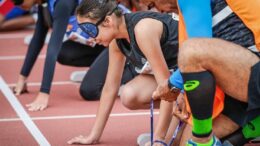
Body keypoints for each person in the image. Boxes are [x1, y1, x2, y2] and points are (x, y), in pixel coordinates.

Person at [67, 0, 180, 144]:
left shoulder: (143, 30)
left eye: (90, 30)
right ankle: (175, 120)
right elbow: (110, 88)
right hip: (174, 78)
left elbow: (166, 88)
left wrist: (159, 139)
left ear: (107, 21)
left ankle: (182, 123)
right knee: (129, 95)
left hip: (196, 74)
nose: (90, 37)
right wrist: (93, 135)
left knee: (173, 139)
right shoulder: (117, 41)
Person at [152, 0, 260, 145]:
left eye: (151, 3)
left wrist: (173, 84)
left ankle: (203, 140)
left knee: (191, 50)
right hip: (245, 74)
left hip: (252, 69)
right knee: (185, 142)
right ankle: (252, 126)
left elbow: (198, 47)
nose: (157, 9)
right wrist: (187, 89)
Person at [11, 0, 107, 111]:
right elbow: (37, 40)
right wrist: (22, 79)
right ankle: (101, 68)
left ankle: (125, 71)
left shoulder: (62, 4)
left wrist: (44, 93)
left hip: (115, 45)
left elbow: (52, 49)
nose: (16, 4)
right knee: (64, 53)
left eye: (18, 1)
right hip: (99, 44)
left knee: (88, 91)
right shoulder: (44, 4)